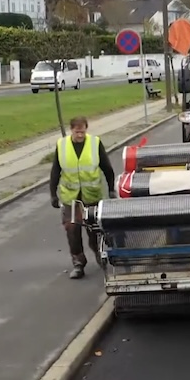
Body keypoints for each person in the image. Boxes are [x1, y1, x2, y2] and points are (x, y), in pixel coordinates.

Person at [50, 116, 117, 279]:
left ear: (86, 129)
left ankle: (100, 256)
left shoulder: (94, 143)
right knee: (72, 230)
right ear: (71, 130)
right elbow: (55, 171)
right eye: (77, 131)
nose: (80, 134)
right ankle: (78, 263)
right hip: (70, 198)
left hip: (91, 196)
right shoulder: (62, 145)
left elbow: (107, 167)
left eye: (82, 131)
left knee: (94, 230)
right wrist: (53, 194)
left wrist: (111, 189)